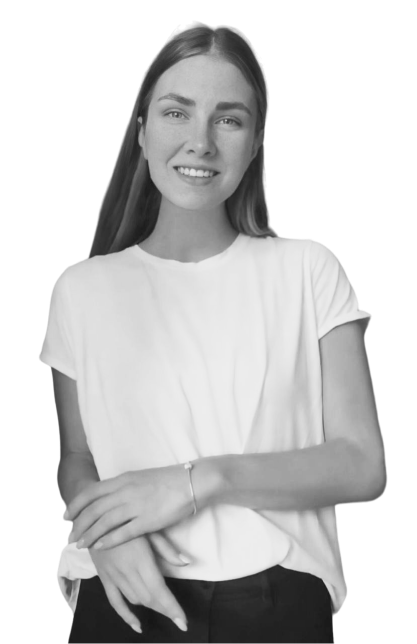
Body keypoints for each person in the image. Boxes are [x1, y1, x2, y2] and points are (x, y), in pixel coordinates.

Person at [39, 21, 385, 644]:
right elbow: (77, 459)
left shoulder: (306, 269)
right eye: (177, 112)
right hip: (122, 594)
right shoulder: (81, 289)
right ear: (142, 131)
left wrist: (200, 482)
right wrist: (103, 532)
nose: (199, 142)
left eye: (228, 119)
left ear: (255, 143)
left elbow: (363, 465)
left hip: (275, 598)